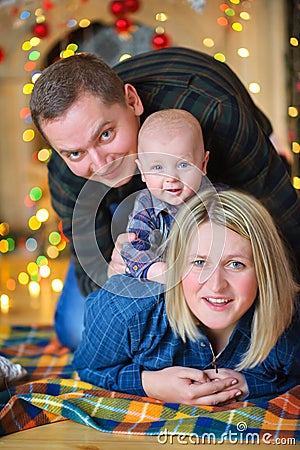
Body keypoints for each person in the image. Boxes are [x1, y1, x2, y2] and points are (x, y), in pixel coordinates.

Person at [29, 47, 300, 349]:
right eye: (76, 153)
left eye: (105, 134)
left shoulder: (217, 115)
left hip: (227, 175)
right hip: (139, 214)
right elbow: (90, 269)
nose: (100, 162)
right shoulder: (66, 171)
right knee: (78, 331)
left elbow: (285, 227)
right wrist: (113, 273)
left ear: (132, 101)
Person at [73, 189, 300, 404]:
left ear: (264, 272)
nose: (216, 284)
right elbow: (89, 369)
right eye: (199, 262)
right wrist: (149, 383)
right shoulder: (125, 311)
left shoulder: (288, 319)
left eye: (235, 264)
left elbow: (291, 376)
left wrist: (251, 384)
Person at [121, 109, 209, 283]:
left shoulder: (216, 200)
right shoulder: (146, 204)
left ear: (203, 164)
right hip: (160, 282)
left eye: (183, 165)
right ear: (143, 172)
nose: (171, 178)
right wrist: (159, 271)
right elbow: (133, 246)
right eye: (157, 168)